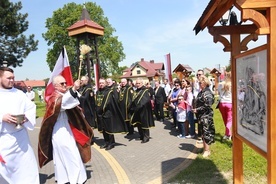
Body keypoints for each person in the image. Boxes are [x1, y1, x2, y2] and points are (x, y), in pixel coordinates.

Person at [38, 75, 93, 184]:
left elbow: (77, 99)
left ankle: (73, 178)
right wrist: (73, 89)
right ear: (55, 86)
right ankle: (73, 179)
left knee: (73, 152)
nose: (64, 85)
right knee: (69, 153)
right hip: (60, 129)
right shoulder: (53, 97)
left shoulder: (63, 94)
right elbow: (63, 104)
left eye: (65, 83)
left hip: (67, 127)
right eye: (62, 83)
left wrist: (75, 90)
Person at [0, 67, 39, 184]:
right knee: (4, 171)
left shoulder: (19, 94)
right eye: (8, 78)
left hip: (22, 139)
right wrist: (2, 118)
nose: (12, 80)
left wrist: (26, 117)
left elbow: (31, 108)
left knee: (27, 168)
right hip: (4, 139)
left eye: (13, 78)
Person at [95, 78, 128, 150]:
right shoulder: (98, 92)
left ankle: (111, 143)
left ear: (106, 84)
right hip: (100, 114)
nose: (101, 84)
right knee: (103, 130)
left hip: (107, 113)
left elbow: (107, 103)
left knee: (109, 130)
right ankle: (106, 142)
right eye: (100, 83)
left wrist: (100, 110)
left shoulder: (109, 92)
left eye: (102, 83)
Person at [192, 75, 215, 158]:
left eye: (200, 82)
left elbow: (208, 105)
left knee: (206, 133)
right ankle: (204, 148)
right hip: (201, 116)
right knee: (202, 132)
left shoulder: (207, 92)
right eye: (198, 82)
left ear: (204, 83)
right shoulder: (201, 92)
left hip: (206, 116)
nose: (199, 83)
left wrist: (197, 109)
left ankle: (207, 150)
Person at [129, 78, 155, 143]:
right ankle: (141, 135)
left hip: (144, 110)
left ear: (142, 83)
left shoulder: (145, 91)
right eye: (137, 83)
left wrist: (138, 106)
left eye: (139, 83)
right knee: (139, 124)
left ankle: (146, 137)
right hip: (137, 110)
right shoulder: (137, 91)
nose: (138, 85)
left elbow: (145, 100)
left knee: (144, 124)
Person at [218, 72, 232, 140]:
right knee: (229, 120)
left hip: (222, 103)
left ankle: (227, 134)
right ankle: (228, 134)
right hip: (229, 103)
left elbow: (218, 93)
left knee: (225, 119)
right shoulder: (232, 85)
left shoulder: (220, 84)